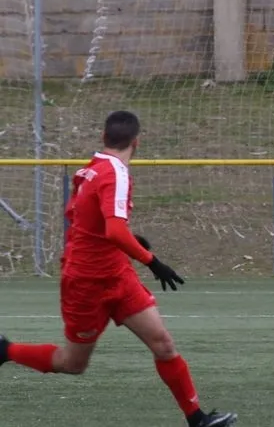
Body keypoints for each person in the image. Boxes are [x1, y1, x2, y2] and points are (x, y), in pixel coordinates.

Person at [0, 110, 237, 427]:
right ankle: (6, 350)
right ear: (137, 142)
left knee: (163, 344)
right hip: (85, 282)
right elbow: (113, 231)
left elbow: (85, 220)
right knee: (72, 363)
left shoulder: (91, 169)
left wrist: (129, 240)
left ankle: (197, 419)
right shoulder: (114, 173)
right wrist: (153, 262)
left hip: (117, 275)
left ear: (104, 137)